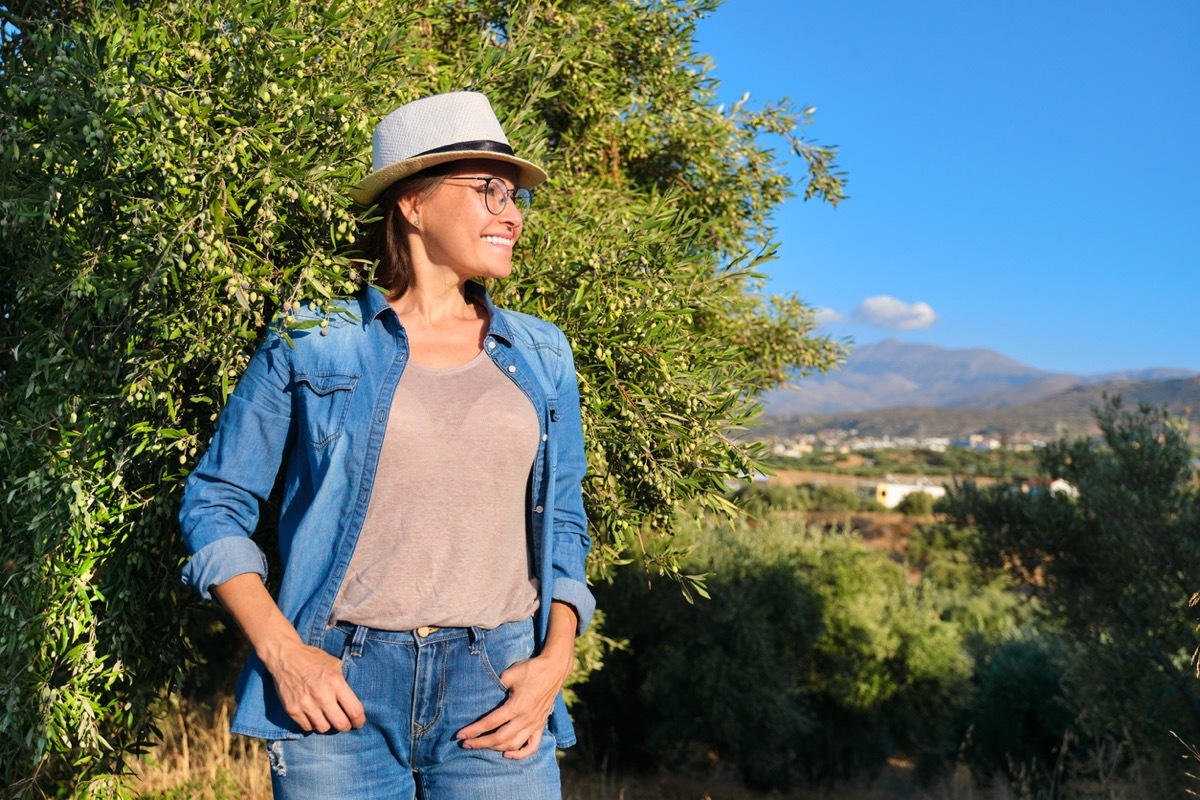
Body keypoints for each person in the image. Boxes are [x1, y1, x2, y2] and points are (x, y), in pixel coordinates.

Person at [178, 91, 594, 800]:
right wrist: (284, 654)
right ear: (413, 202)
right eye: (489, 190)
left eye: (515, 194)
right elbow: (215, 503)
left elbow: (563, 523)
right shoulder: (314, 339)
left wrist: (557, 657)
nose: (513, 213)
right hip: (338, 686)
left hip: (496, 687)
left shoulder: (542, 353)